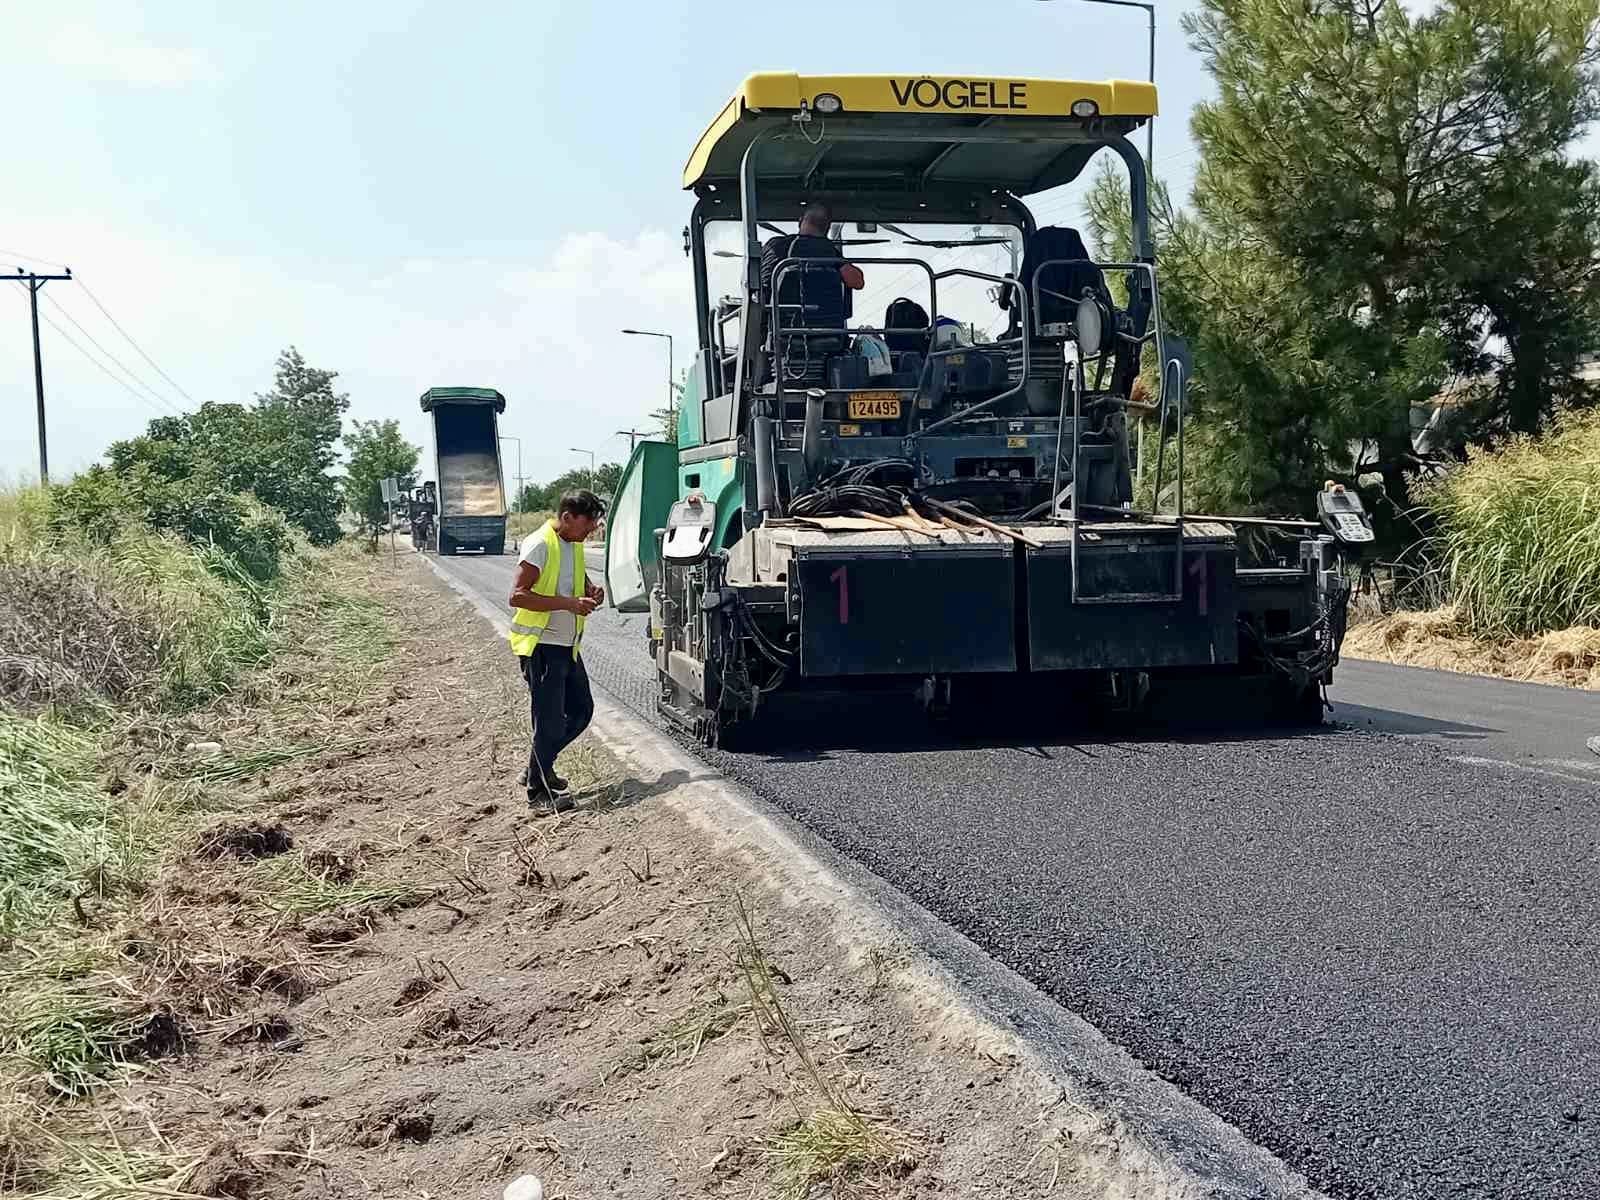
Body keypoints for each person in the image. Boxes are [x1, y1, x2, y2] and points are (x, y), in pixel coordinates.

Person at [507, 489, 606, 811]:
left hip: (567, 646)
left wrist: (589, 591)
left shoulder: (571, 543)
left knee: (581, 711)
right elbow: (518, 596)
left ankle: (537, 768)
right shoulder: (539, 544)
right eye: (586, 526)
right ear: (567, 517)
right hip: (542, 648)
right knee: (548, 723)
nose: (590, 532)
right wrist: (570, 604)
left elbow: (571, 580)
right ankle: (538, 795)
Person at [759, 201, 866, 323]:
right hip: (827, 331)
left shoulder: (776, 245)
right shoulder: (830, 253)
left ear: (800, 221)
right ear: (827, 227)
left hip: (780, 329)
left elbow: (760, 290)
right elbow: (857, 282)